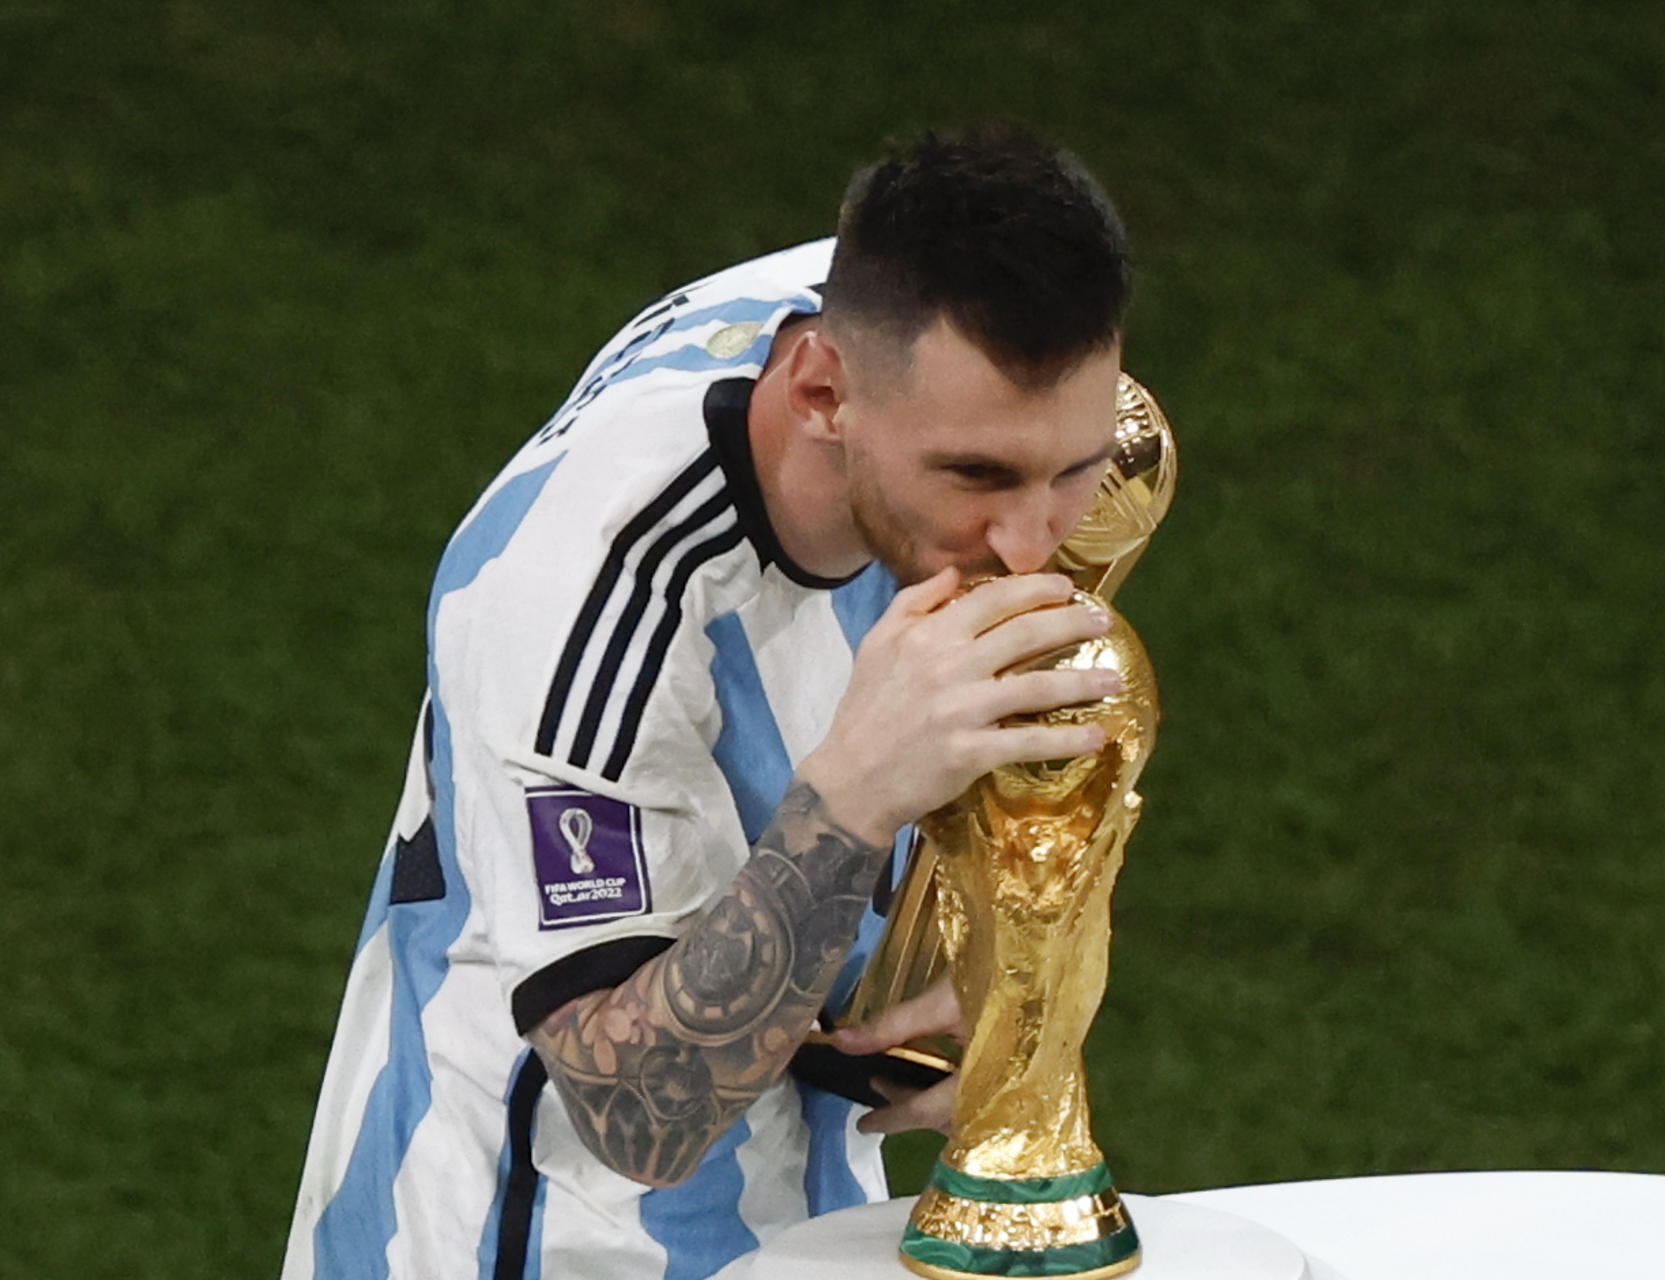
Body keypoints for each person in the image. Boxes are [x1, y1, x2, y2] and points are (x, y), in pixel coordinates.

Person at [281, 125, 1133, 1280]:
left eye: (1073, 466)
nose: (1032, 542)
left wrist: (981, 964)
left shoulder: (912, 332)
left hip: (811, 1210)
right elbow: (636, 1115)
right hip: (545, 1236)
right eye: (977, 474)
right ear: (822, 392)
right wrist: (854, 797)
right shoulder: (579, 600)